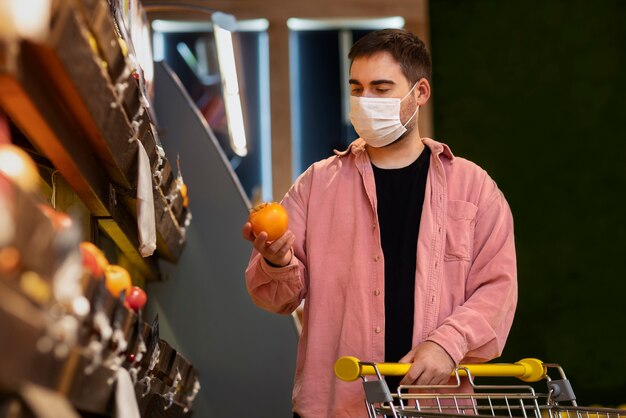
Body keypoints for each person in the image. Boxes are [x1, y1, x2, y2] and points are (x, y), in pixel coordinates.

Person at [242, 28, 517, 418]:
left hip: (437, 406)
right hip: (336, 406)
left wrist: (448, 343)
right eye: (357, 89)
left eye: (381, 89)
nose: (365, 101)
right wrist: (275, 261)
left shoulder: (474, 189)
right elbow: (274, 297)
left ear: (419, 93)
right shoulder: (316, 185)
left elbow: (498, 289)